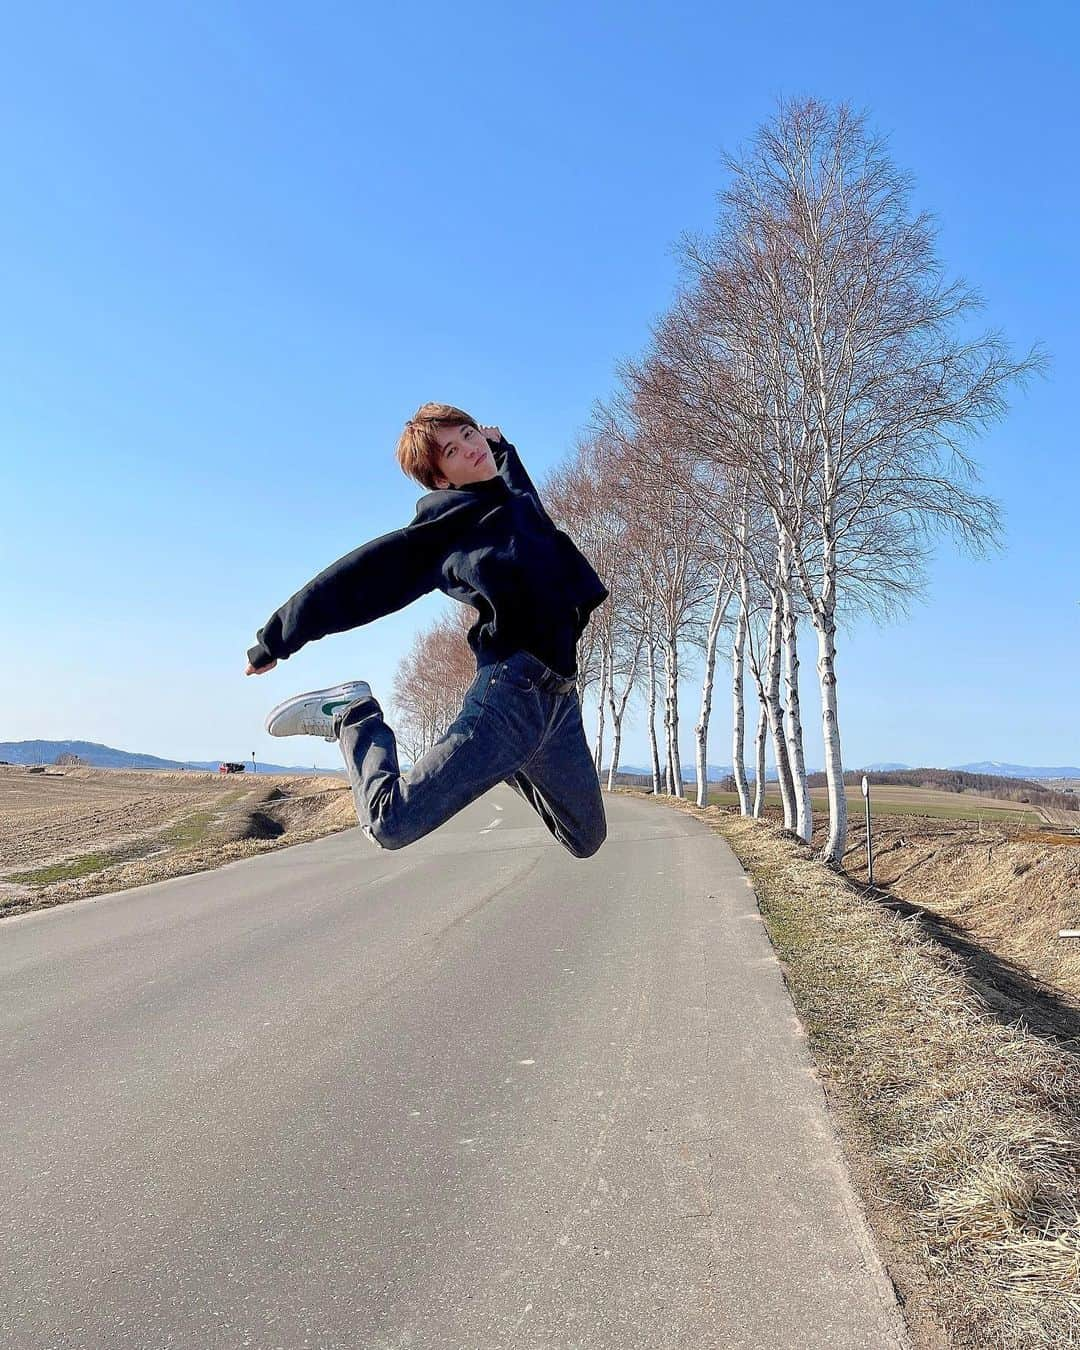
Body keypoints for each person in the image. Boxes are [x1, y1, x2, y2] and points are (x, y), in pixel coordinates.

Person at [244, 403, 610, 858]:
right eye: (452, 451)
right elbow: (362, 577)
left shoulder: (515, 507)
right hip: (510, 695)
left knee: (586, 838)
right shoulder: (447, 528)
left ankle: (511, 758)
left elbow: (525, 499)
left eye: (469, 434)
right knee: (391, 823)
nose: (470, 449)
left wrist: (504, 449)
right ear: (442, 480)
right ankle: (353, 715)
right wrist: (278, 637)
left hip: (559, 701)